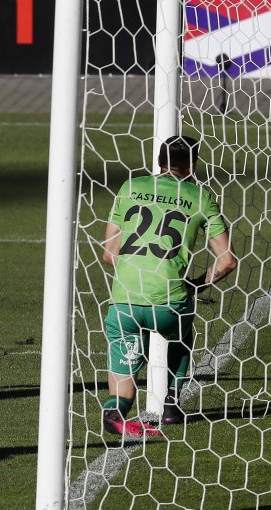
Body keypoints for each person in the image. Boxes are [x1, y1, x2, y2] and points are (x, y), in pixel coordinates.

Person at [100, 135, 237, 437]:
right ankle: (172, 403)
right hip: (169, 303)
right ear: (193, 165)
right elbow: (227, 261)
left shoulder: (130, 187)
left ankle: (115, 410)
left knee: (127, 361)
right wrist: (195, 285)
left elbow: (109, 254)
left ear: (159, 161)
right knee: (182, 335)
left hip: (125, 302)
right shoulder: (201, 197)